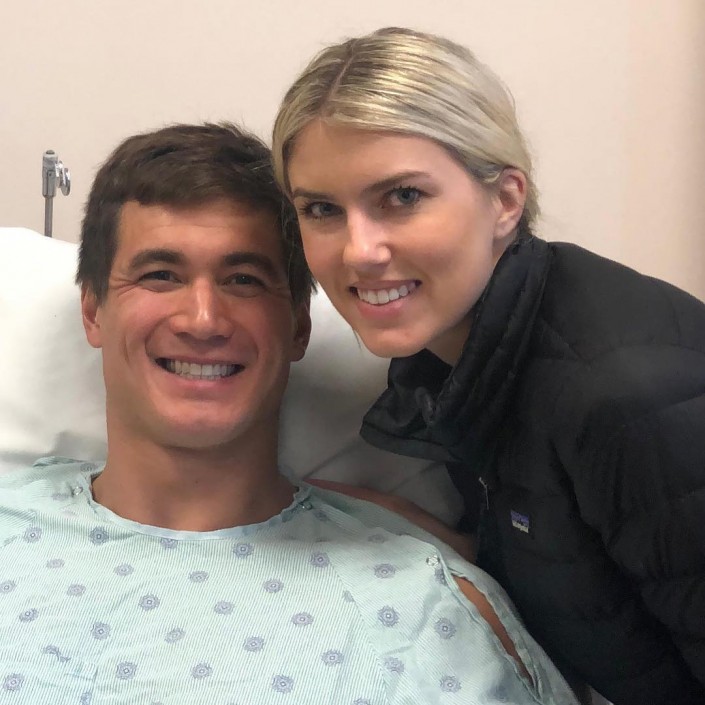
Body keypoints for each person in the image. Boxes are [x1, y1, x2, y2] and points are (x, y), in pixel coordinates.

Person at [0, 122, 578, 704]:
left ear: (299, 325)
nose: (203, 320)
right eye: (161, 276)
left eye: (243, 280)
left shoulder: (428, 607)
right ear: (93, 311)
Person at [271, 26, 705, 705]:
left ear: (504, 200)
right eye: (322, 209)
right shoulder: (456, 353)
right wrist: (424, 535)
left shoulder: (624, 399)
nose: (359, 251)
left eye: (402, 197)